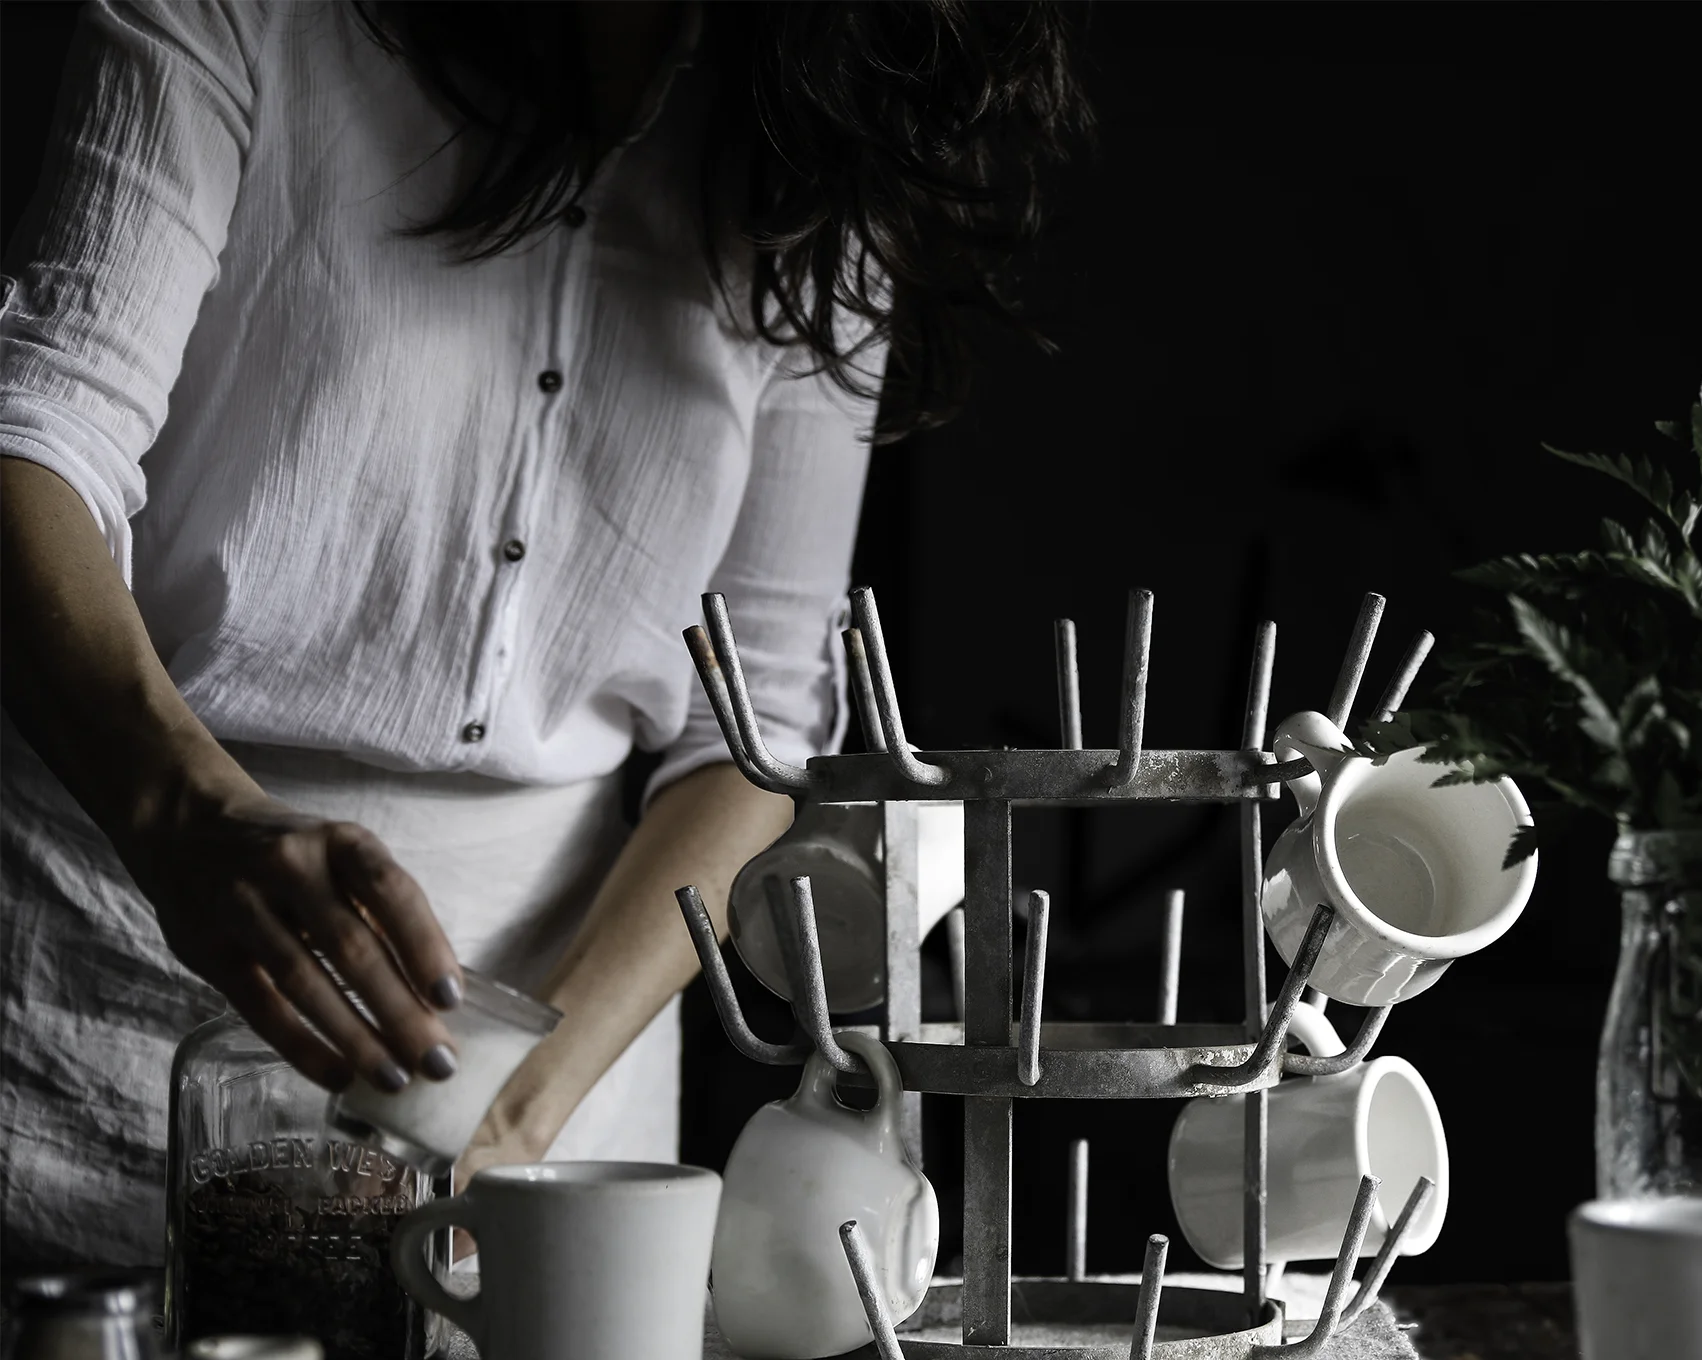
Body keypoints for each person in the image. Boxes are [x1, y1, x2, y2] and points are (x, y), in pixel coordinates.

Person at [0, 0, 1089, 1266]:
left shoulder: (822, 162)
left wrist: (518, 1107)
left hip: (574, 1069)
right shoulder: (239, 22)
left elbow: (755, 724)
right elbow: (35, 440)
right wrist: (186, 820)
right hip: (112, 1002)